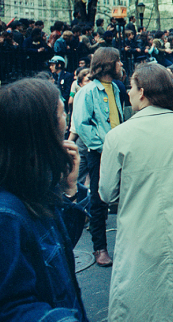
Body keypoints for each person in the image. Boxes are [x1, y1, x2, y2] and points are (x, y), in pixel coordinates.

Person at [99, 63, 173, 322]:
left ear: (142, 91)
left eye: (130, 87)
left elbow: (107, 193)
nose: (128, 94)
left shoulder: (117, 136)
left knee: (145, 304)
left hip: (140, 233)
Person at [0, 78, 88, 321]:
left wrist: (69, 189)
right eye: (61, 114)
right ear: (40, 131)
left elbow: (58, 248)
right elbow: (8, 308)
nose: (66, 121)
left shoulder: (32, 185)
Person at [71, 46, 125, 267]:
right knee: (98, 200)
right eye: (118, 60)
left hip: (119, 151)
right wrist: (104, 147)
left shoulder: (116, 88)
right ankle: (99, 248)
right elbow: (83, 125)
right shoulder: (88, 91)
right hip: (99, 153)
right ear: (108, 63)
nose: (121, 64)